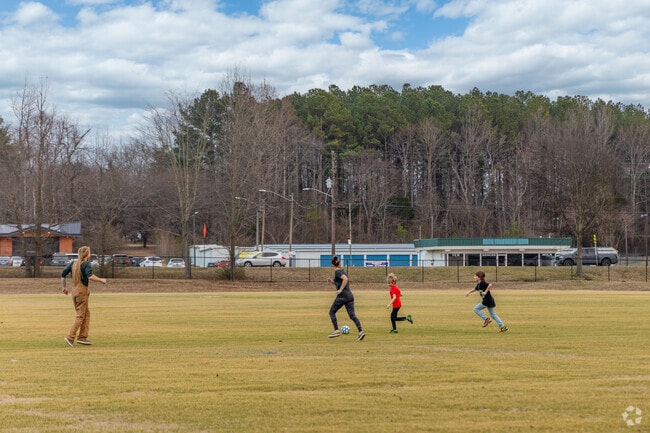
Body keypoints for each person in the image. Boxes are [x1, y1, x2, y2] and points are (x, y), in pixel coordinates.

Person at [61, 246, 107, 346]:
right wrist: (101, 280)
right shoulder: (86, 264)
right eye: (89, 252)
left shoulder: (73, 263)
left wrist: (64, 287)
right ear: (86, 254)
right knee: (80, 315)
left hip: (74, 292)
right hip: (82, 292)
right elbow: (90, 276)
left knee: (86, 314)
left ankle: (82, 337)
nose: (90, 254)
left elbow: (63, 274)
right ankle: (70, 337)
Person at [326, 256, 365, 341]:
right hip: (349, 296)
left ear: (332, 265)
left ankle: (336, 330)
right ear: (339, 263)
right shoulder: (343, 271)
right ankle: (361, 331)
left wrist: (340, 290)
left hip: (342, 296)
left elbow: (345, 279)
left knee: (331, 312)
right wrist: (332, 282)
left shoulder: (337, 272)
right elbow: (340, 281)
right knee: (352, 315)